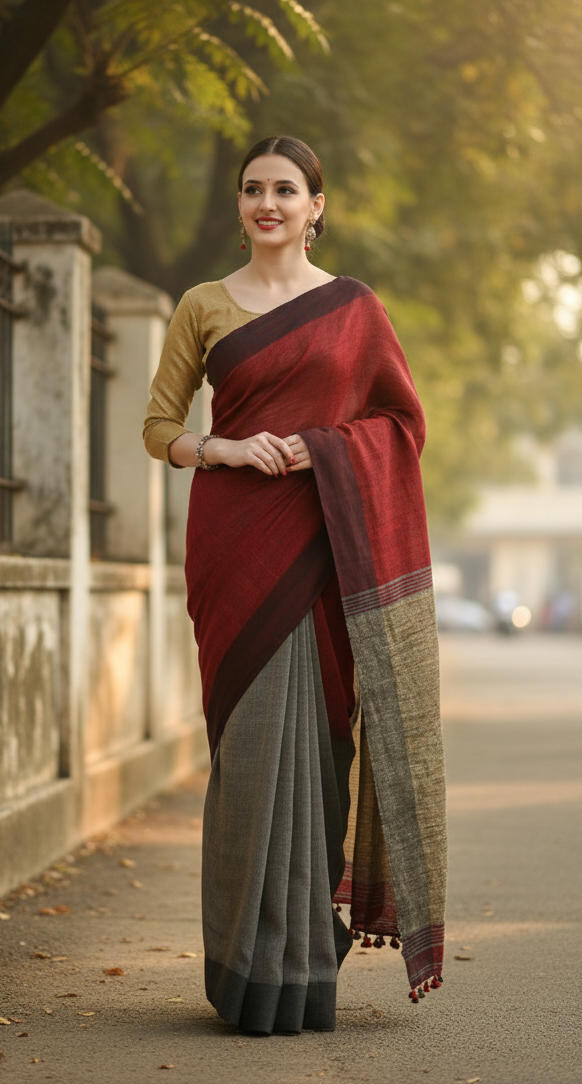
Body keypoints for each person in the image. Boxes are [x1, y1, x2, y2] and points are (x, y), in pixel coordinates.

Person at [143, 135, 447, 1035]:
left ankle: (305, 968)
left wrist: (321, 451)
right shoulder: (203, 305)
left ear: (317, 206)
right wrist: (227, 447)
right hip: (234, 540)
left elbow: (401, 423)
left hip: (325, 547)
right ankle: (244, 971)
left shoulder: (354, 310)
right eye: (251, 190)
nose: (265, 203)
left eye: (284, 190)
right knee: (247, 760)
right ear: (239, 207)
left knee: (321, 749)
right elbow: (160, 425)